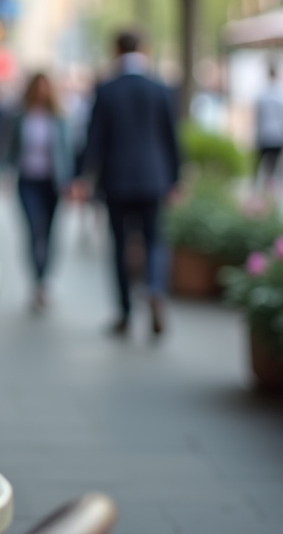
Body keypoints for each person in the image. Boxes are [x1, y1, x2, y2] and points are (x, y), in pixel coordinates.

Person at [70, 29, 180, 337]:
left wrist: (81, 175)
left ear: (116, 49)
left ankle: (125, 313)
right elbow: (171, 137)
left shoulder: (106, 89)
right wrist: (176, 178)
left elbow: (93, 138)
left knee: (119, 246)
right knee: (154, 240)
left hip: (116, 180)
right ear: (142, 49)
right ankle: (154, 288)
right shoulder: (160, 88)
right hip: (154, 178)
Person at [2, 73, 73, 310]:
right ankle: (36, 279)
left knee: (50, 233)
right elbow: (9, 148)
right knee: (34, 230)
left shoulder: (59, 119)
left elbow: (68, 152)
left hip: (52, 183)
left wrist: (71, 182)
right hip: (27, 182)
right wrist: (3, 173)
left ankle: (44, 281)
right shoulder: (20, 117)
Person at [253, 64, 283, 193]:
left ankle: (262, 190)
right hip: (279, 136)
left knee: (262, 166)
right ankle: (277, 191)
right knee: (278, 166)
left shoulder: (262, 95)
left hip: (265, 135)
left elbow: (258, 117)